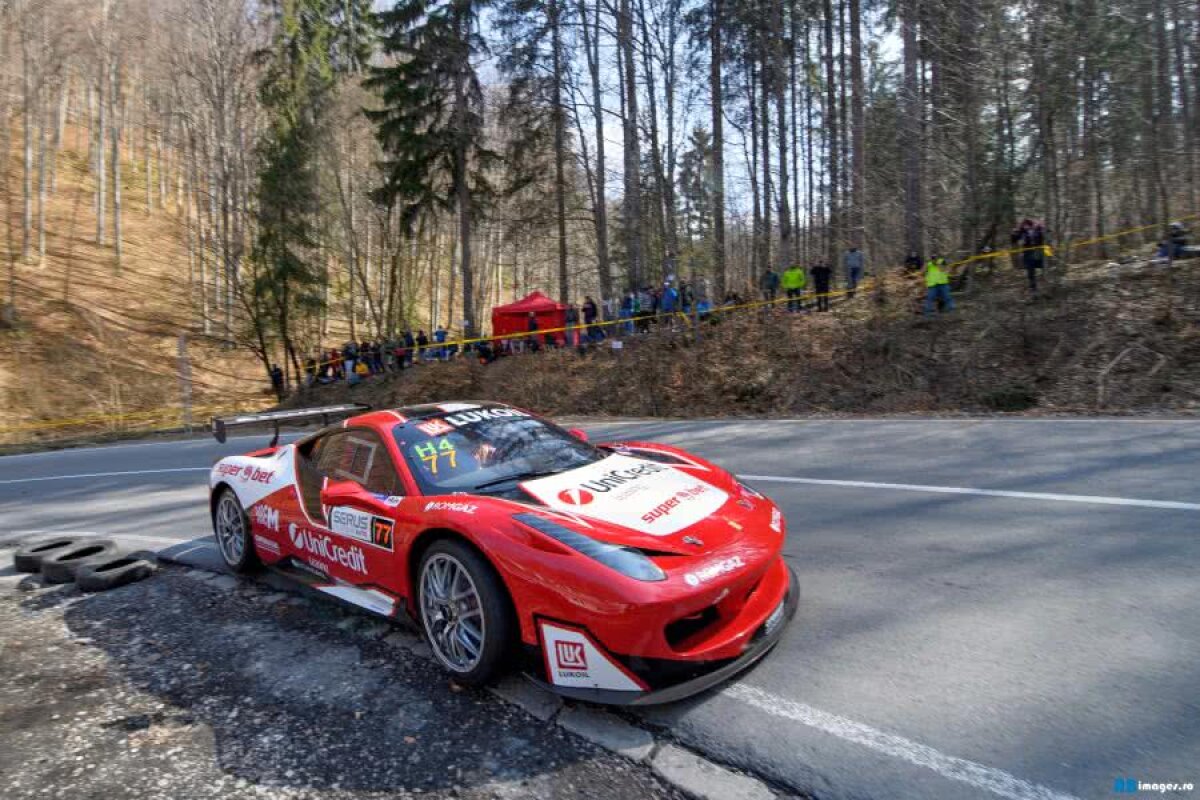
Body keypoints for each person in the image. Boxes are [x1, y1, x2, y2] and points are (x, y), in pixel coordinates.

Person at [1011, 218, 1046, 293]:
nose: (1026, 226)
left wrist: (1042, 227)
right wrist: (1014, 232)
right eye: (1024, 225)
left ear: (1031, 225)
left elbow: (1043, 237)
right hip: (1028, 253)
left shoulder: (1038, 229)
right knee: (1030, 270)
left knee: (1044, 266)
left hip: (1038, 252)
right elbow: (1014, 240)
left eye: (1027, 225)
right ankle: (1033, 288)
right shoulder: (1022, 232)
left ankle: (1046, 284)